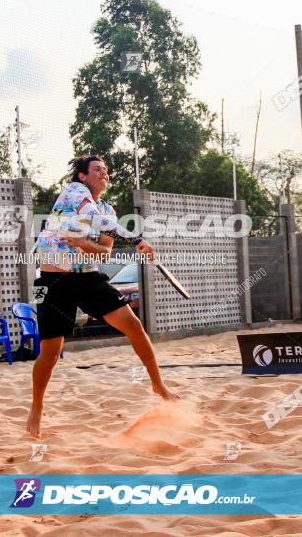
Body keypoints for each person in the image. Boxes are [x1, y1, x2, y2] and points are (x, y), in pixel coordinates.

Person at [25, 155, 180, 438]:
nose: (103, 173)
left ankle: (158, 384)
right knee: (49, 354)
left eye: (106, 170)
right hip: (51, 279)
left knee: (134, 326)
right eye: (97, 169)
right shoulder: (74, 191)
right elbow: (98, 222)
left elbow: (105, 251)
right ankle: (36, 406)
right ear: (83, 176)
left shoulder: (107, 208)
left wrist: (85, 243)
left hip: (87, 277)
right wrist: (137, 240)